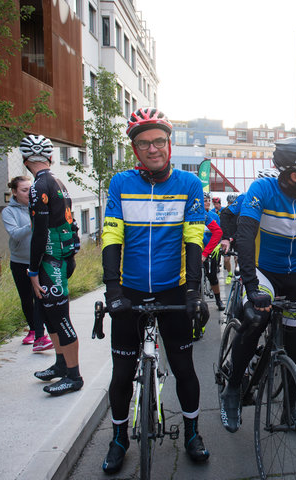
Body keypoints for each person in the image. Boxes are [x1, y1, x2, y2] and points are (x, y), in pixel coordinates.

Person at [101, 108, 210, 473]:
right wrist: (112, 287)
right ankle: (118, 439)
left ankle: (193, 431)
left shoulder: (189, 184)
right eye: (144, 143)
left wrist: (194, 291)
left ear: (169, 143)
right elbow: (112, 234)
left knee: (183, 368)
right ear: (134, 149)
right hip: (128, 292)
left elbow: (195, 238)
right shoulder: (120, 183)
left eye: (159, 141)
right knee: (120, 373)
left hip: (173, 290)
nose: (152, 149)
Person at [219, 136, 296, 435]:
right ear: (295, 175)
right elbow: (244, 238)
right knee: (256, 317)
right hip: (265, 273)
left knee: (295, 347)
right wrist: (251, 284)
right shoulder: (262, 190)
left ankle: (289, 413)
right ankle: (233, 388)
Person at [20, 135, 83, 397]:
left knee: (60, 317)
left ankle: (74, 375)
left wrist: (33, 271)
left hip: (51, 261)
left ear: (25, 161)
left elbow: (40, 233)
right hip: (62, 257)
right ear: (51, 158)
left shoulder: (39, 186)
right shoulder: (57, 181)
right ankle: (61, 364)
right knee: (49, 316)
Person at [2, 176, 51, 351]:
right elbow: (15, 234)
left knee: (39, 296)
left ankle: (40, 335)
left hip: (37, 260)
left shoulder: (38, 206)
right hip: (19, 261)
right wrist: (33, 222)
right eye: (24, 190)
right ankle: (33, 329)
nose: (29, 193)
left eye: (30, 189)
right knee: (26, 298)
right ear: (14, 192)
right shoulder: (8, 212)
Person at [202, 192, 224, 312]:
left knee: (212, 277)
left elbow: (218, 234)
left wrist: (215, 248)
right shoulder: (195, 214)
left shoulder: (214, 216)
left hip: (211, 250)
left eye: (209, 200)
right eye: (205, 200)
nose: (208, 202)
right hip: (198, 250)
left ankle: (218, 300)